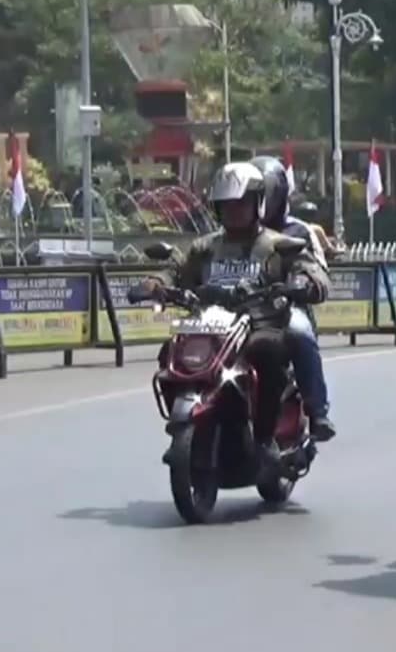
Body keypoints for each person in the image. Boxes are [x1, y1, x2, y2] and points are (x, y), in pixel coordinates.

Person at [137, 162, 331, 460]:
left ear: (257, 204)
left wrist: (304, 283)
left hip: (258, 323)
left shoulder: (276, 245)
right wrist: (155, 283)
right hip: (211, 326)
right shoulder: (205, 247)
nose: (234, 211)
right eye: (226, 206)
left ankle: (265, 438)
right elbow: (175, 270)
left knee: (268, 352)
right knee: (170, 352)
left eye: (241, 204)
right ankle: (186, 423)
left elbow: (310, 270)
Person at [249, 156, 337, 442]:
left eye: (264, 195)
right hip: (244, 309)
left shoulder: (299, 232)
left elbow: (318, 272)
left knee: (299, 334)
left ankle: (317, 411)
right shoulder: (236, 233)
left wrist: (301, 284)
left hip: (286, 308)